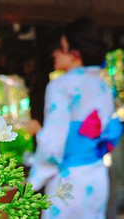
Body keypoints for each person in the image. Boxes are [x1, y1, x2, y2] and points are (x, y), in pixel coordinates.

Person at [26, 17, 123, 219]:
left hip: (69, 183)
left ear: (75, 53)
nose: (54, 53)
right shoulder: (104, 88)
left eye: (61, 47)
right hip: (96, 177)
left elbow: (53, 146)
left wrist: (31, 183)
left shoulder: (60, 86)